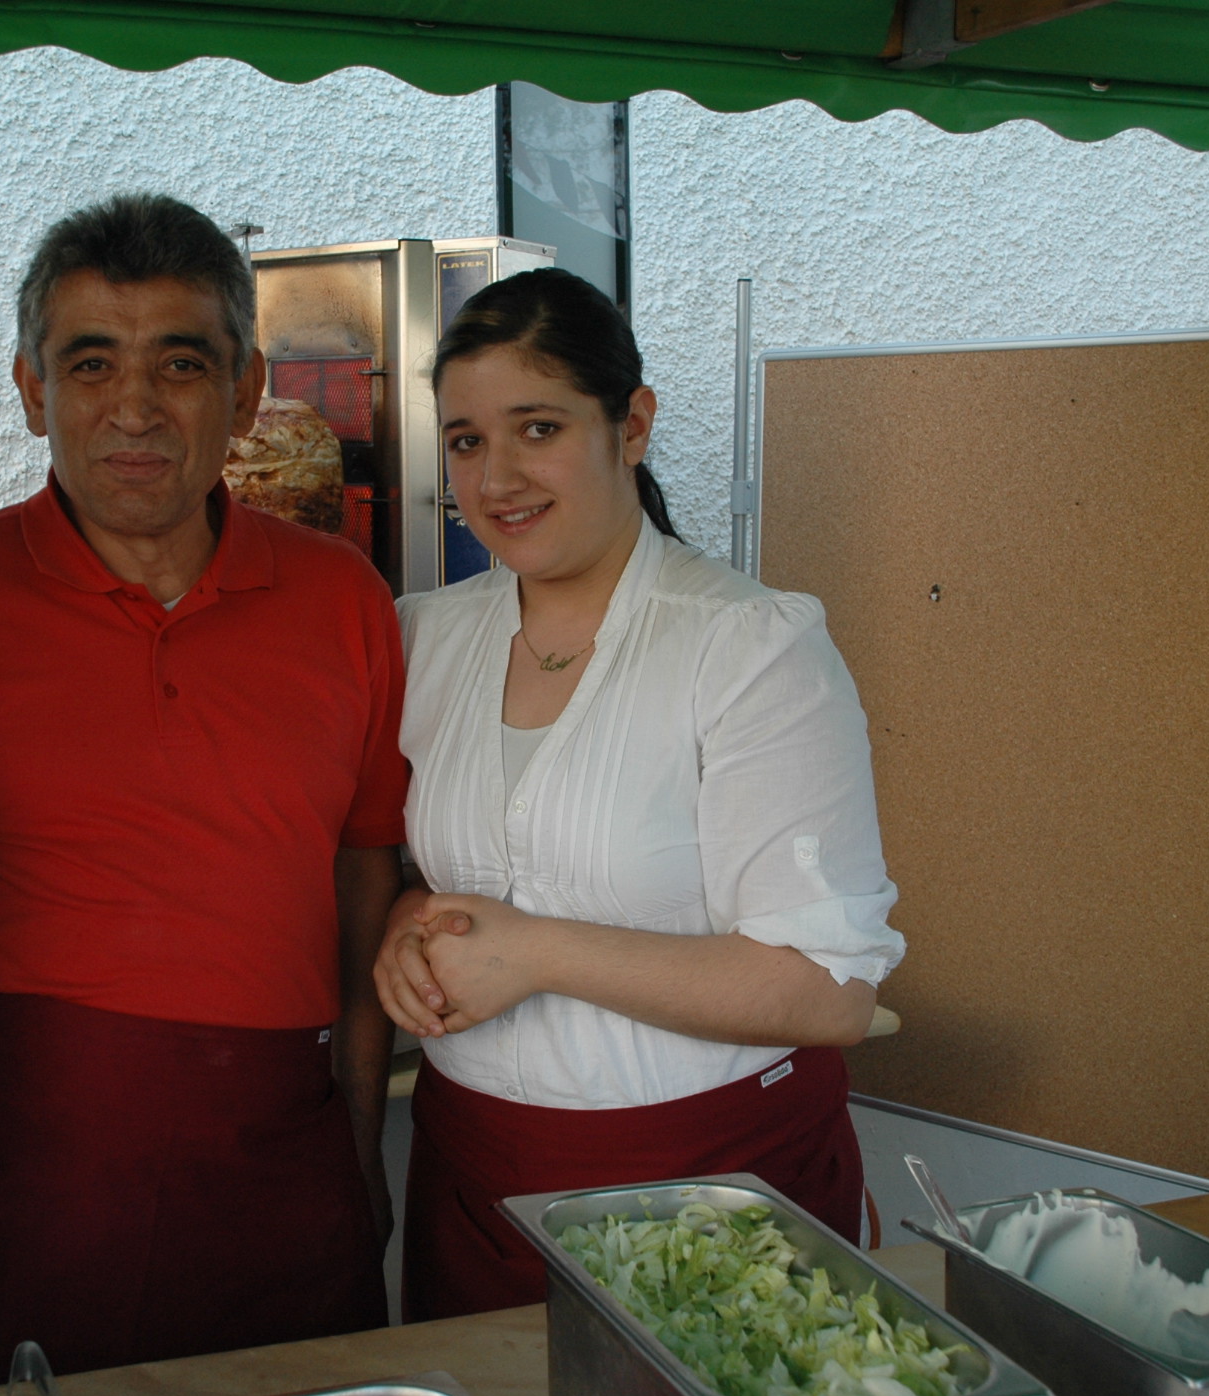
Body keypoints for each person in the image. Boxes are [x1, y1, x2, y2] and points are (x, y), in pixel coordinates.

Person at [0, 193, 406, 1383]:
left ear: (246, 388)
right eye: (89, 364)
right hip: (9, 1180)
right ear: (30, 390)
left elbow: (361, 875)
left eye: (180, 363)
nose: (134, 408)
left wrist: (361, 1140)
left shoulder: (342, 600)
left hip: (280, 1171)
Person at [377, 268, 905, 1321]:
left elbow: (826, 991)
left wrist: (536, 953)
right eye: (467, 441)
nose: (497, 477)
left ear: (632, 426)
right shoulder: (420, 638)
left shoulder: (748, 648)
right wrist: (405, 925)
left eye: (538, 428)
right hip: (472, 1176)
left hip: (710, 1189)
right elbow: (405, 870)